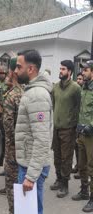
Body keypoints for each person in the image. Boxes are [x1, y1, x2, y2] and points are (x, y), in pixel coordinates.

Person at [15, 50, 53, 214]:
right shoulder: (32, 90)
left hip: (31, 167)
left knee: (31, 211)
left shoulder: (37, 94)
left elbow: (42, 139)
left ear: (30, 69)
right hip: (28, 162)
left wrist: (30, 176)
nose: (15, 71)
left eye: (18, 66)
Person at [49, 60, 81, 198]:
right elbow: (54, 105)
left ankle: (65, 185)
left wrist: (73, 124)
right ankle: (58, 179)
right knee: (57, 156)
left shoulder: (75, 88)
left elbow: (78, 108)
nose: (60, 71)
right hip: (56, 128)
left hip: (69, 129)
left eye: (63, 69)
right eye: (60, 68)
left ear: (70, 71)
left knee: (66, 158)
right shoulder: (55, 87)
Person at [2, 58, 23, 214]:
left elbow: (8, 127)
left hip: (13, 149)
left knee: (12, 186)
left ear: (12, 72)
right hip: (25, 148)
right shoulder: (26, 92)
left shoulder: (12, 95)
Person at [71, 60, 93, 212]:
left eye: (86, 70)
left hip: (91, 134)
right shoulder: (83, 88)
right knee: (82, 165)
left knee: (92, 167)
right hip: (80, 132)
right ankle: (84, 191)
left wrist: (90, 125)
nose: (83, 72)